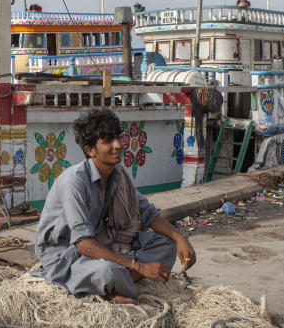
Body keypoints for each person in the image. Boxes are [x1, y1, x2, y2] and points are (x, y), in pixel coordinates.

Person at [32, 108, 196, 304]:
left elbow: (148, 213)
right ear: (90, 150)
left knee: (167, 243)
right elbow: (83, 244)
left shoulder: (117, 175)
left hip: (102, 243)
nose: (118, 145)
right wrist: (138, 266)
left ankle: (118, 282)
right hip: (65, 255)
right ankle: (114, 284)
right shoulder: (74, 182)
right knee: (107, 271)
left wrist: (180, 238)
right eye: (108, 141)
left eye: (118, 138)